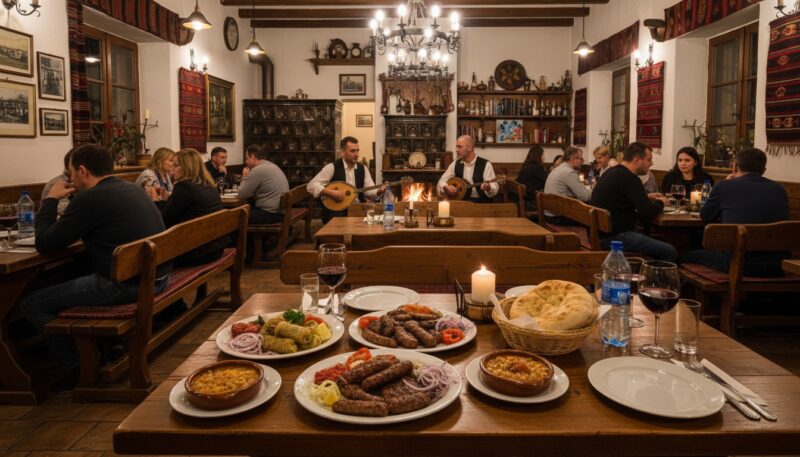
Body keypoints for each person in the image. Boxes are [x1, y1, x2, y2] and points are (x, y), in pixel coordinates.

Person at [20, 144, 170, 375]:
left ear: (82, 171)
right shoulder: (132, 189)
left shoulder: (90, 199)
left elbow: (45, 243)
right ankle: (105, 346)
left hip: (127, 286)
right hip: (158, 276)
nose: (69, 177)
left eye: (70, 172)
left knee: (32, 303)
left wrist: (50, 199)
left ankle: (80, 369)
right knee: (67, 273)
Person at [683, 148, 789, 276]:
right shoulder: (780, 189)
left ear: (735, 167)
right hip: (778, 265)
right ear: (763, 170)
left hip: (737, 263)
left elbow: (705, 216)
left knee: (686, 255)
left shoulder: (724, 186)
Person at [590, 142, 677, 262]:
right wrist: (662, 202)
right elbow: (648, 212)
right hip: (615, 237)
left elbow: (623, 198)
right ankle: (652, 280)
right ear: (637, 160)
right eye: (649, 160)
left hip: (601, 234)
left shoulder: (612, 172)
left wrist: (646, 196)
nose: (651, 164)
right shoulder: (630, 178)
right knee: (670, 251)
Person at [148, 148, 225, 267]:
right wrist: (164, 200)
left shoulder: (185, 188)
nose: (173, 170)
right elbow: (180, 209)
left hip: (194, 252)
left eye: (176, 166)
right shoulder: (209, 185)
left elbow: (163, 221)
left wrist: (154, 201)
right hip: (215, 247)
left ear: (187, 167)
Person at [308, 136, 385, 223]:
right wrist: (330, 192)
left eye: (357, 150)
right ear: (343, 152)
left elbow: (369, 190)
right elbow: (311, 186)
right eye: (352, 151)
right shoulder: (332, 167)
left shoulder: (362, 168)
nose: (356, 154)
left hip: (357, 208)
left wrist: (379, 192)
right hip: (336, 211)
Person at [438, 135, 500, 203]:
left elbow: (494, 187)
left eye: (459, 147)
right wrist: (445, 187)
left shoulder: (486, 164)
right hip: (460, 203)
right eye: (456, 147)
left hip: (481, 205)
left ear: (469, 148)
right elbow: (442, 181)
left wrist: (489, 188)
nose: (456, 150)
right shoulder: (455, 164)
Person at [238, 144, 290, 225]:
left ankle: (247, 238)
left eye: (246, 158)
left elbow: (242, 194)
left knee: (236, 218)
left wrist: (245, 177)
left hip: (270, 214)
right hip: (281, 211)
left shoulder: (257, 170)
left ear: (252, 157)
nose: (246, 161)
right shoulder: (271, 165)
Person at [516, 145, 547, 212]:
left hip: (523, 200)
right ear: (538, 156)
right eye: (543, 155)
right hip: (531, 202)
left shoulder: (526, 166)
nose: (544, 158)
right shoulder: (537, 168)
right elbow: (548, 182)